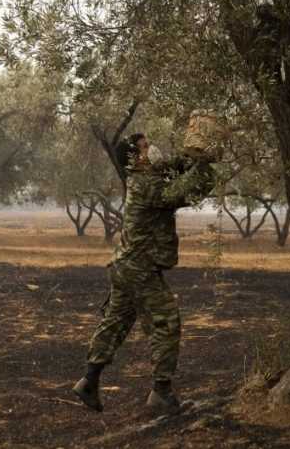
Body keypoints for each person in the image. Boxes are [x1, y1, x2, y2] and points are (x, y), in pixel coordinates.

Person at [72, 133, 215, 415]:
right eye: (146, 147)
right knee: (167, 322)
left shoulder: (144, 176)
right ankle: (161, 393)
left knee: (115, 324)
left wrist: (194, 155)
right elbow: (188, 192)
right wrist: (204, 167)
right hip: (139, 269)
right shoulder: (147, 185)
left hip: (125, 266)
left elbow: (171, 165)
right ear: (136, 158)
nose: (152, 149)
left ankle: (89, 381)